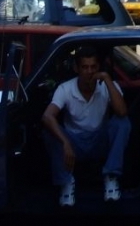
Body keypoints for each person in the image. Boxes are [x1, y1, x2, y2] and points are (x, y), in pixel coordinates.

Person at [42, 46, 131, 207]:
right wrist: (65, 142)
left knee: (122, 124)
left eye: (93, 67)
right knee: (49, 131)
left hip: (99, 140)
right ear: (77, 68)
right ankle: (66, 182)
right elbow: (48, 116)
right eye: (84, 67)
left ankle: (111, 176)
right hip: (74, 142)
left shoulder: (107, 85)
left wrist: (107, 79)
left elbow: (122, 112)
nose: (89, 72)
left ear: (98, 68)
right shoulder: (66, 88)